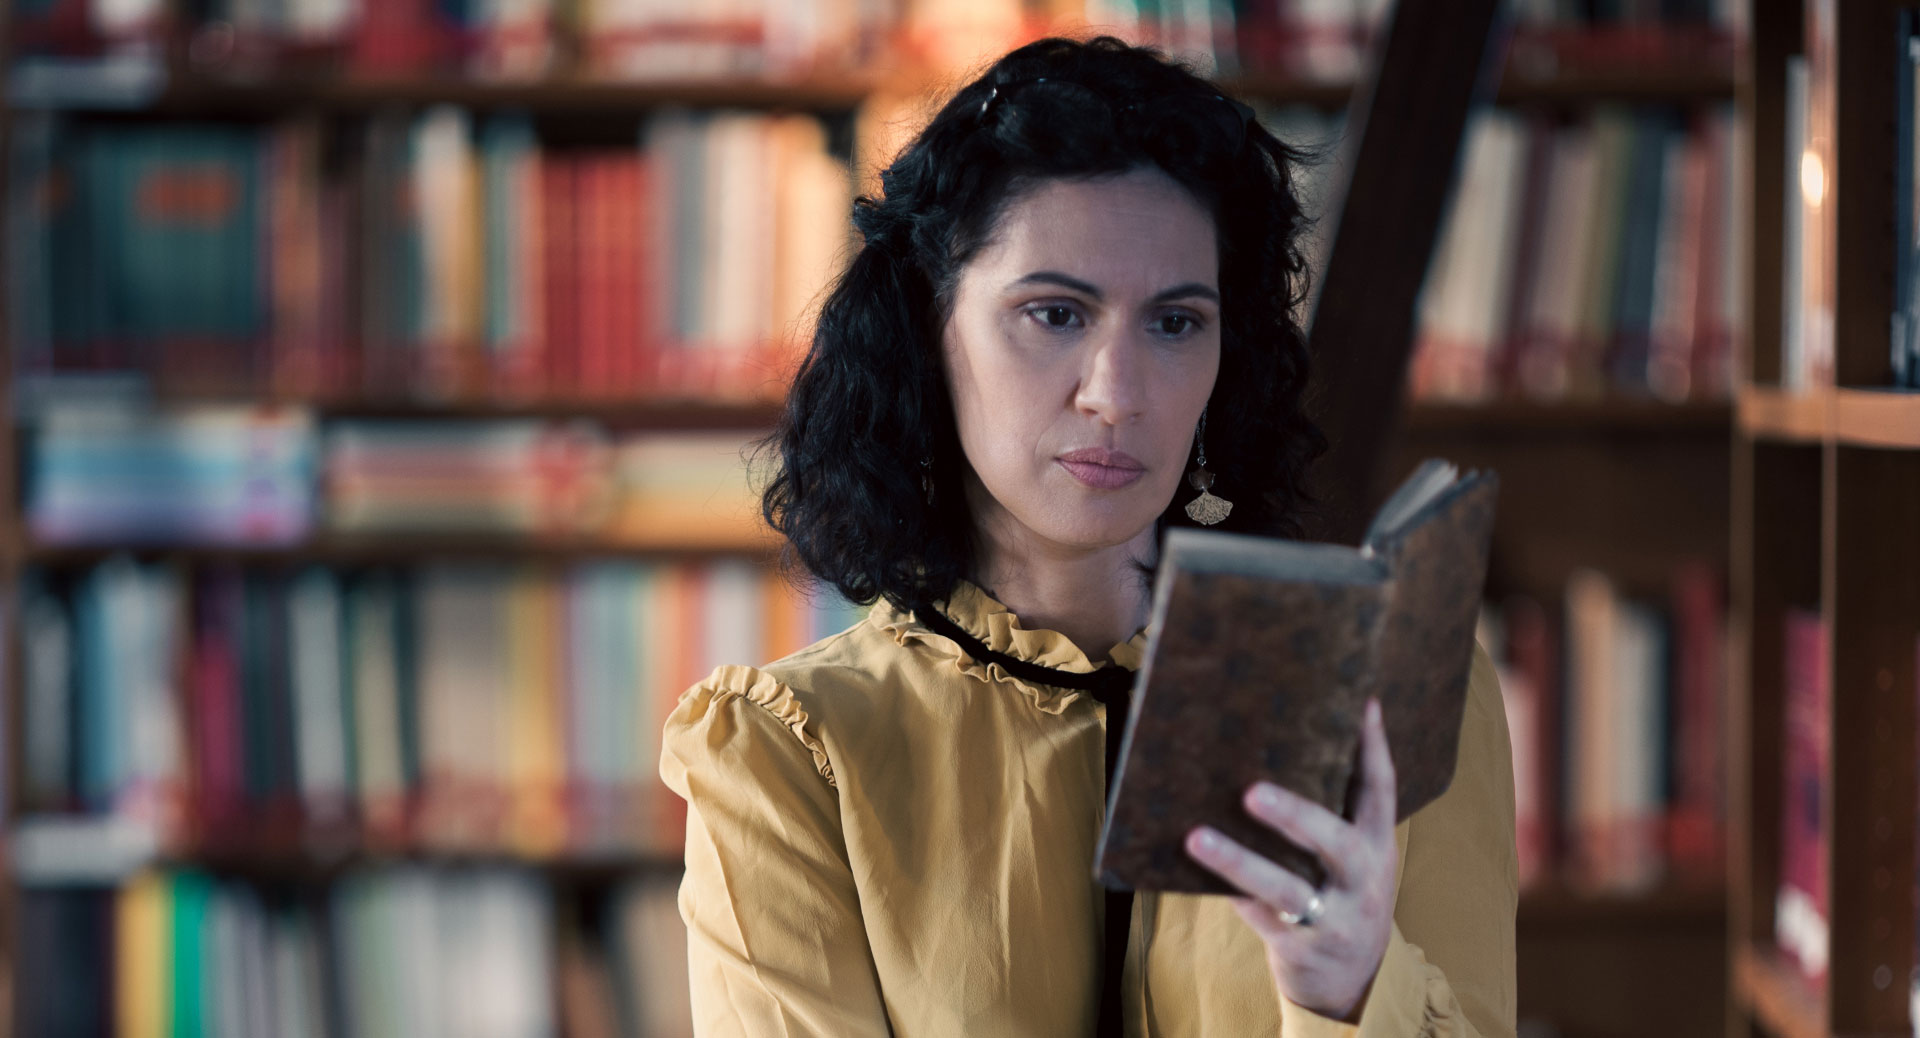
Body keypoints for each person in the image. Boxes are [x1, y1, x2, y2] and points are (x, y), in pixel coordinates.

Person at [658, 33, 1516, 1037]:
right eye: (1057, 313)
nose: (1117, 395)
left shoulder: (1394, 689)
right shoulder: (785, 758)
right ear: (927, 331)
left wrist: (1347, 992)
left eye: (1175, 323)